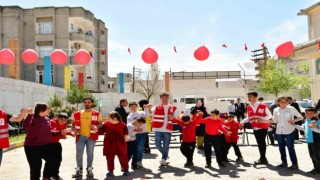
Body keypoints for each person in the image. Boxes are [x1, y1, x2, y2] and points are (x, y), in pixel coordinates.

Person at [72, 97, 102, 178]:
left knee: (90, 154)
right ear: (83, 103)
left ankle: (89, 168)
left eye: (89, 102)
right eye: (85, 102)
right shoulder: (77, 113)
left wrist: (96, 126)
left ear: (92, 103)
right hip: (80, 137)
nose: (87, 104)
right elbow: (73, 124)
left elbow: (100, 124)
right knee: (79, 154)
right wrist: (74, 130)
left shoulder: (96, 113)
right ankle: (79, 169)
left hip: (91, 137)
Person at [146, 92, 179, 166]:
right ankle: (165, 154)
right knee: (157, 144)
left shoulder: (173, 107)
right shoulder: (156, 107)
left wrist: (172, 117)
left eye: (166, 97)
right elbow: (150, 113)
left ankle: (164, 158)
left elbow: (177, 117)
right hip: (158, 128)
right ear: (160, 98)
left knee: (166, 145)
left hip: (168, 129)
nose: (164, 99)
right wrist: (148, 108)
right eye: (163, 97)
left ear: (168, 98)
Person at [23, 104, 54, 180]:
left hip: (45, 145)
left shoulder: (46, 119)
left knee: (53, 159)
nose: (49, 110)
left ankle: (46, 177)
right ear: (42, 110)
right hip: (32, 147)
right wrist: (29, 115)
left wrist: (60, 132)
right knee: (36, 167)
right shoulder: (32, 118)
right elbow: (25, 126)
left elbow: (49, 132)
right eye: (48, 109)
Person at [272, 96, 303, 170]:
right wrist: (270, 123)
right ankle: (284, 162)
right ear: (278, 102)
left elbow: (300, 117)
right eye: (282, 102)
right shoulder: (275, 110)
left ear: (287, 102)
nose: (284, 103)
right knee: (281, 147)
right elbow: (274, 120)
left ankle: (295, 164)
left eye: (285, 102)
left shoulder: (291, 108)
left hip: (290, 131)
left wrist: (293, 121)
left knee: (290, 147)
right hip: (279, 131)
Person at [241, 92, 272, 165]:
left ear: (255, 97)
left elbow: (269, 116)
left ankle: (263, 158)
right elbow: (249, 117)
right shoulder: (249, 106)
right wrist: (242, 122)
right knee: (260, 143)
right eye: (248, 97)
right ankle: (263, 158)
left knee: (261, 142)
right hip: (254, 127)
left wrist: (261, 119)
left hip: (263, 126)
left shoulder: (263, 105)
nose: (249, 98)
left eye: (250, 96)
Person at [99, 111, 129, 177]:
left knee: (123, 157)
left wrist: (126, 135)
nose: (108, 118)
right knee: (109, 157)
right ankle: (110, 171)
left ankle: (126, 170)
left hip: (120, 144)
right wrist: (96, 130)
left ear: (115, 118)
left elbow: (126, 131)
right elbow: (101, 131)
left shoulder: (122, 124)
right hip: (109, 144)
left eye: (109, 117)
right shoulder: (106, 124)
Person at [295, 107, 320, 175]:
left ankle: (318, 171)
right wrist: (294, 125)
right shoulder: (306, 120)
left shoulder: (317, 120)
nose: (308, 115)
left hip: (316, 141)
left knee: (317, 156)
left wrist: (315, 126)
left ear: (315, 113)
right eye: (307, 113)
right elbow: (304, 128)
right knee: (312, 156)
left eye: (311, 113)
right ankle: (316, 168)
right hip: (309, 141)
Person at [50, 112, 74, 180]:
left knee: (59, 159)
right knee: (51, 160)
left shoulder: (64, 124)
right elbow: (53, 132)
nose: (63, 121)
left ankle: (55, 175)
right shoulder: (52, 122)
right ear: (57, 118)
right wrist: (63, 133)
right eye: (61, 119)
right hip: (48, 144)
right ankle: (48, 175)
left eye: (65, 120)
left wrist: (70, 133)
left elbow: (63, 132)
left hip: (56, 143)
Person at [126, 102, 147, 168]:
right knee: (134, 149)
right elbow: (129, 126)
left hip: (142, 133)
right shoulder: (129, 116)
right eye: (131, 106)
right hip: (134, 134)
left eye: (135, 106)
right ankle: (134, 162)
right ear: (129, 108)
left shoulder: (141, 113)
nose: (133, 108)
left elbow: (148, 115)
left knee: (140, 148)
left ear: (137, 107)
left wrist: (146, 108)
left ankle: (139, 161)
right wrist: (137, 129)